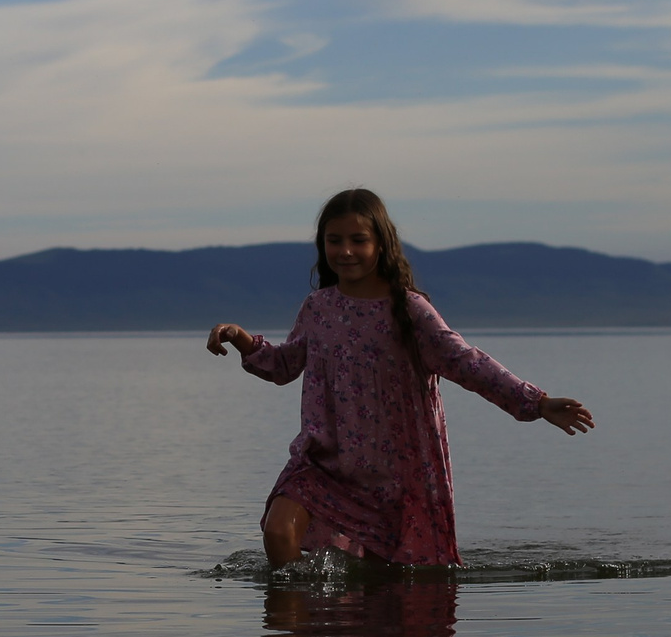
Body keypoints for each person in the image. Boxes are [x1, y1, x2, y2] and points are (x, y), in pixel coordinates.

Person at [207, 188, 592, 568]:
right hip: (323, 461)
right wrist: (240, 337)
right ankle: (292, 609)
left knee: (391, 583)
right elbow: (284, 365)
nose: (345, 251)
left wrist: (536, 402)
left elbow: (466, 362)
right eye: (334, 240)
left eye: (358, 240)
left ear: (381, 244)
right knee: (278, 533)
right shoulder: (318, 307)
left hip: (396, 475)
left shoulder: (408, 310)